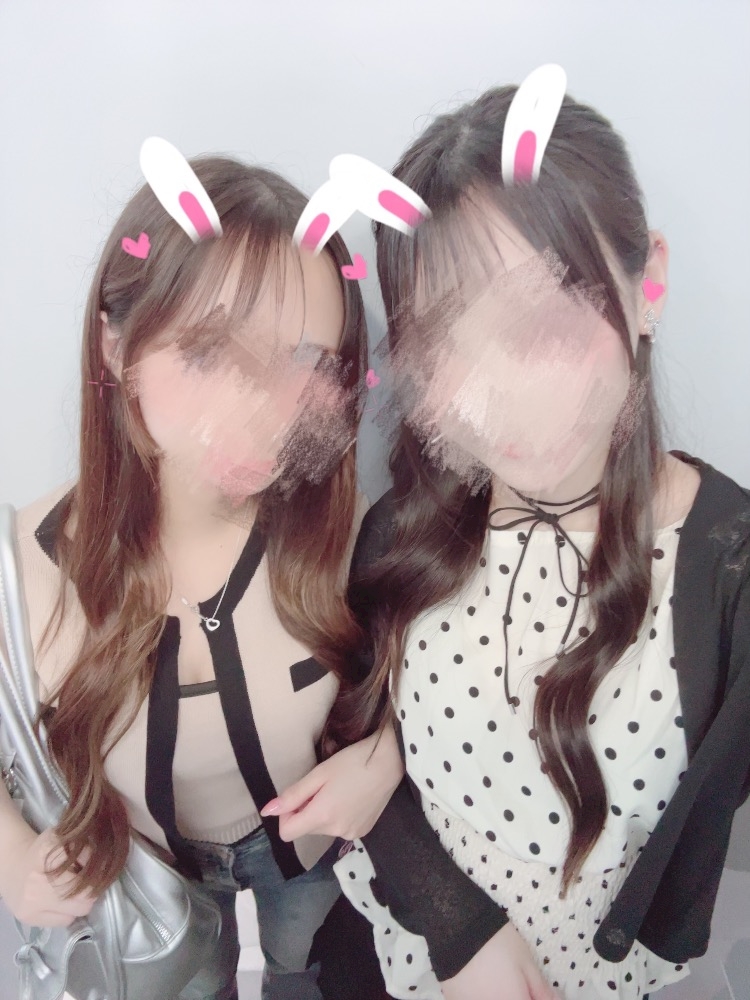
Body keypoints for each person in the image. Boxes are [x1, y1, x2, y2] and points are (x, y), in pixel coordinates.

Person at [270, 77, 750, 1000]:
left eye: (541, 323)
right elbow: (364, 751)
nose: (501, 396)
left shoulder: (727, 570)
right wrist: (457, 925)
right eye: (447, 344)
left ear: (647, 281)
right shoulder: (406, 529)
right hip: (393, 961)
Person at [0, 151, 400, 1000]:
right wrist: (10, 855)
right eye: (212, 353)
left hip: (311, 862)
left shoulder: (351, 536)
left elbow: (438, 681)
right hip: (151, 887)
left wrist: (387, 760)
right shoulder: (22, 564)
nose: (261, 410)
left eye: (303, 363)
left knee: (305, 973)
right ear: (116, 343)